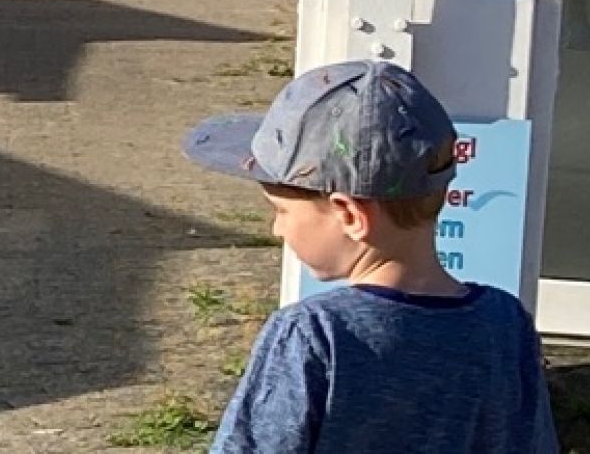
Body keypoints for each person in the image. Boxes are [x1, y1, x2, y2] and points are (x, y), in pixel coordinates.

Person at [183, 59, 555, 453]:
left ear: (350, 215)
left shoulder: (313, 334)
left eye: (282, 211)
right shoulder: (503, 323)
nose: (276, 229)